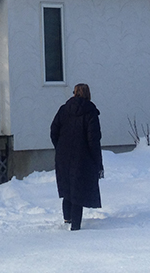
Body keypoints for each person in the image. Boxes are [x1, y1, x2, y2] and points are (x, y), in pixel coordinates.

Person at [50, 83, 103, 231]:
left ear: (74, 93)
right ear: (88, 93)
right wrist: (96, 160)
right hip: (82, 157)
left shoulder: (63, 109)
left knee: (67, 188)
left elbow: (53, 131)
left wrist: (60, 147)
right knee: (78, 190)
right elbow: (93, 138)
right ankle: (75, 226)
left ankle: (67, 219)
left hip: (63, 155)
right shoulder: (90, 111)